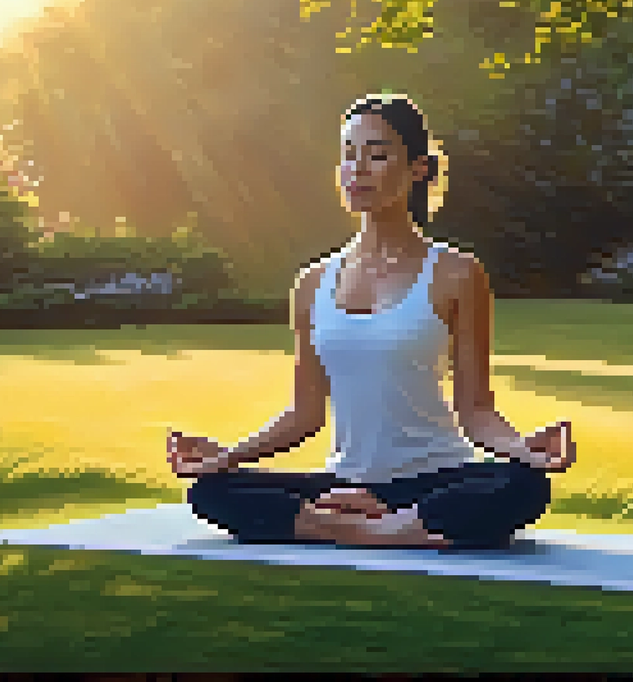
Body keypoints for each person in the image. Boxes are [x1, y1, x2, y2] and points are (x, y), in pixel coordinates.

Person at [167, 93, 575, 550]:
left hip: (434, 480)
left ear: (418, 168)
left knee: (524, 486)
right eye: (347, 155)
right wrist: (227, 456)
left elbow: (476, 412)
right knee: (212, 491)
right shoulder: (312, 282)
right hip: (341, 486)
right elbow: (304, 414)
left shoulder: (458, 274)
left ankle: (348, 528)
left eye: (377, 154)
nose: (357, 169)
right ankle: (390, 529)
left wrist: (526, 452)